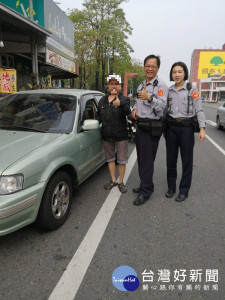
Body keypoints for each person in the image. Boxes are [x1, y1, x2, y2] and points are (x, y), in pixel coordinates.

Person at [164, 61, 206, 202]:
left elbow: (199, 110)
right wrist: (164, 129)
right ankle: (171, 187)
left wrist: (202, 128)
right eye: (174, 72)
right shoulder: (169, 91)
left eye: (180, 71)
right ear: (171, 74)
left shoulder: (192, 90)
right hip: (171, 129)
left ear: (185, 73)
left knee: (187, 161)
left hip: (186, 129)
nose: (177, 74)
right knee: (171, 160)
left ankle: (184, 190)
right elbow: (164, 111)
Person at [131, 54, 168, 206]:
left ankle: (145, 191)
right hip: (140, 125)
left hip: (152, 127)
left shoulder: (161, 86)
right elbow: (137, 102)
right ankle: (145, 184)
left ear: (157, 68)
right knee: (141, 159)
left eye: (153, 66)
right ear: (144, 67)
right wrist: (134, 109)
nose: (150, 68)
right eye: (147, 65)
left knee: (147, 160)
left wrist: (150, 97)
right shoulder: (141, 84)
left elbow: (162, 108)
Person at [98, 74, 131, 193]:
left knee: (121, 160)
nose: (113, 86)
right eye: (111, 84)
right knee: (110, 159)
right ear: (107, 86)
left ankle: (121, 182)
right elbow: (99, 117)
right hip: (107, 135)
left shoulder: (124, 99)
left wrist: (120, 104)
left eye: (116, 84)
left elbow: (128, 111)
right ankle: (113, 180)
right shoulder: (102, 100)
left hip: (121, 135)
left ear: (120, 86)